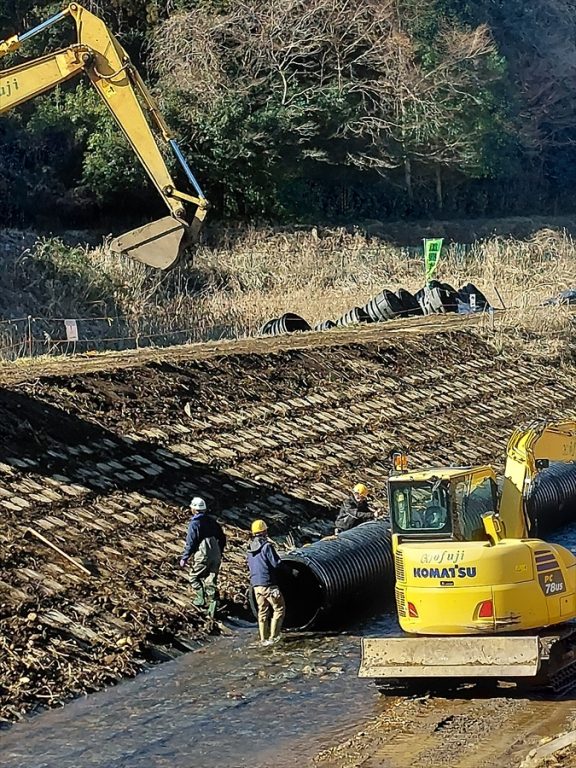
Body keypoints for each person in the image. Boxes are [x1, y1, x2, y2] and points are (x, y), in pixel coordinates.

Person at [179, 497, 226, 617]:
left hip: (203, 552)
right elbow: (222, 537)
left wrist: (185, 557)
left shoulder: (195, 523)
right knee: (211, 577)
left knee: (194, 577)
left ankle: (200, 599)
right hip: (216, 551)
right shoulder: (212, 521)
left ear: (194, 509)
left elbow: (191, 542)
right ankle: (214, 602)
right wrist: (220, 550)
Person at [247, 519, 286, 646]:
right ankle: (273, 638)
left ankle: (263, 639)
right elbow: (276, 563)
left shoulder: (250, 549)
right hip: (269, 585)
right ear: (264, 531)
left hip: (256, 586)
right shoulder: (267, 546)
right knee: (279, 608)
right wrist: (289, 570)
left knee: (262, 611)